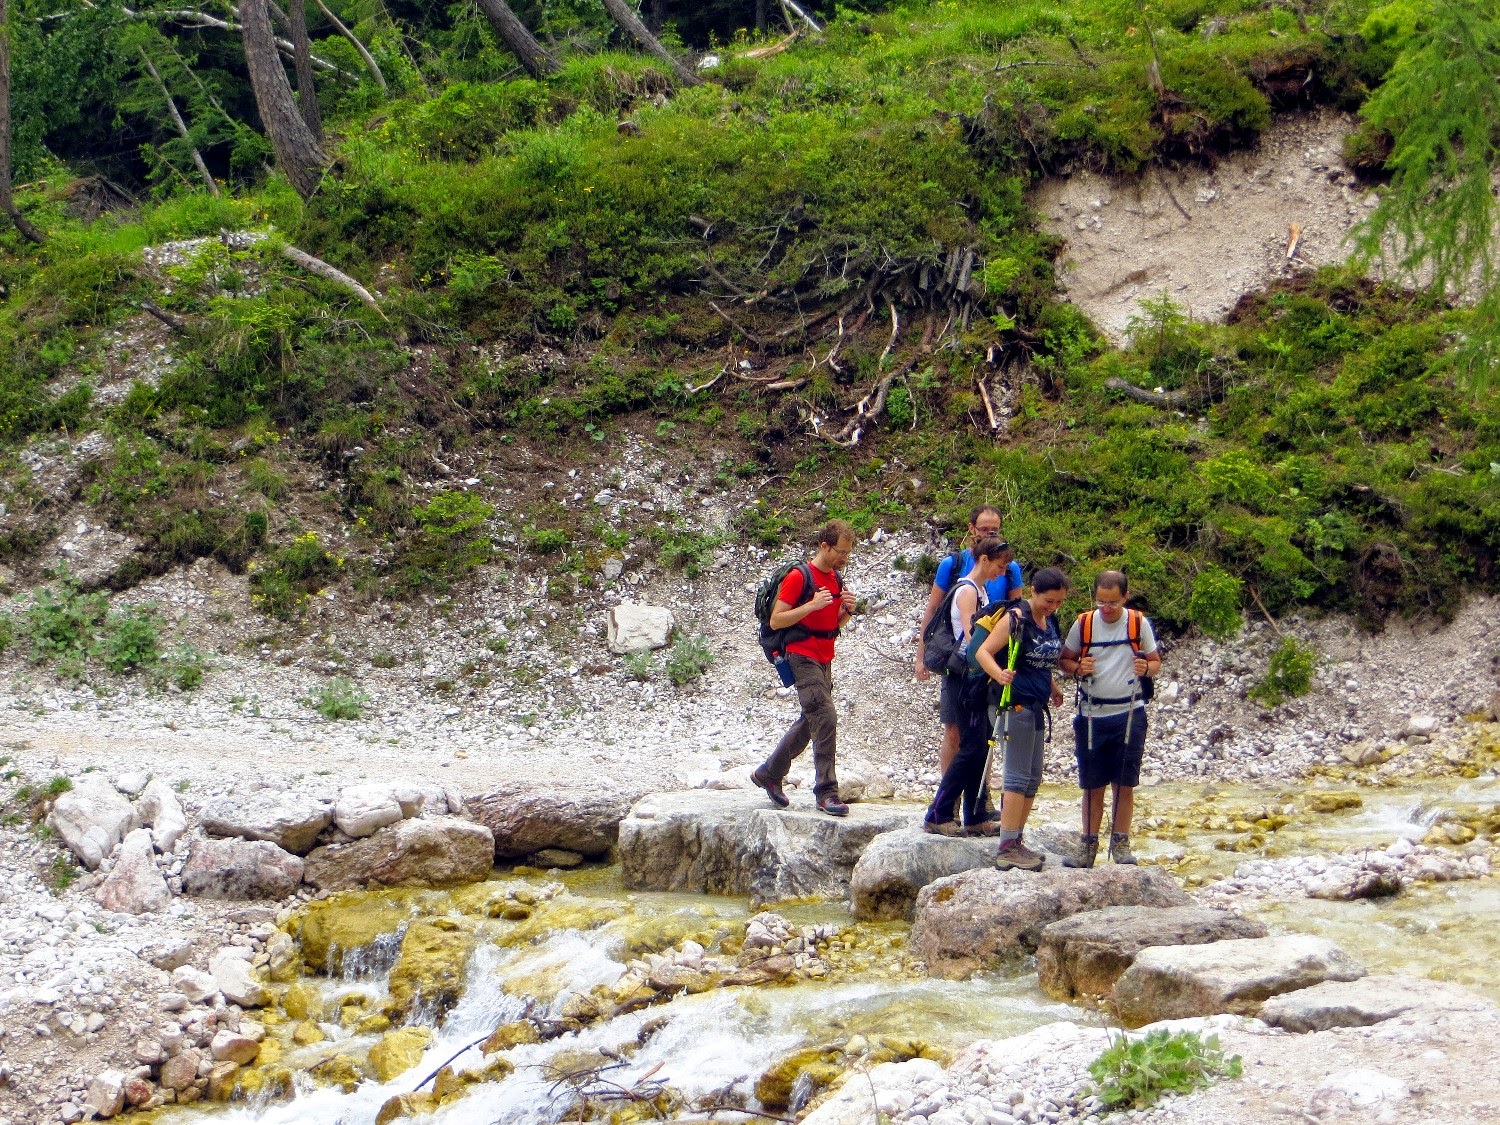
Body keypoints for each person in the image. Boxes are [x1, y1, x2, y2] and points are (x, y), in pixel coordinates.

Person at [751, 520, 858, 816]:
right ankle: (827, 791)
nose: (844, 559)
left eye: (848, 553)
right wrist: (811, 605)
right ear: (824, 546)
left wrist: (846, 611)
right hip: (800, 654)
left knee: (813, 719)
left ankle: (769, 773)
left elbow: (832, 626)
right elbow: (777, 620)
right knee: (825, 716)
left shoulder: (836, 579)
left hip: (825, 655)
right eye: (840, 552)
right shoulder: (800, 577)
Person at [1058, 571, 1162, 868]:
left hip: (1130, 712)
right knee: (1092, 785)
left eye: (1112, 602)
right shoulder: (1085, 623)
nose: (1106, 608)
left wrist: (1145, 668)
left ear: (1125, 598)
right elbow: (1065, 660)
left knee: (1123, 783)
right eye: (1101, 601)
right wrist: (1078, 667)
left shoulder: (1137, 623)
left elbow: (1155, 663)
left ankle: (1121, 843)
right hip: (1091, 714)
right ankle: (1088, 846)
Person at [916, 505, 1024, 778]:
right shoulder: (953, 565)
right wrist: (920, 657)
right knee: (953, 728)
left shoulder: (1009, 570)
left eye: (995, 530)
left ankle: (979, 796)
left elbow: (1017, 614)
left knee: (983, 730)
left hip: (991, 660)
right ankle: (949, 800)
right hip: (958, 659)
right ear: (971, 529)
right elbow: (933, 611)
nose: (989, 533)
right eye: (984, 529)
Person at [972, 567, 1069, 870]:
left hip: (1036, 704)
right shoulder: (1016, 617)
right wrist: (999, 674)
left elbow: (1041, 660)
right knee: (1016, 775)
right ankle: (1007, 847)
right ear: (1033, 592)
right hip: (1013, 704)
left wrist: (1052, 685)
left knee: (1033, 775)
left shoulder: (1048, 620)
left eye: (1059, 602)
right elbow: (983, 652)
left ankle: (1016, 839)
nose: (1053, 607)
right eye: (1049, 601)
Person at [921, 537, 1012, 836]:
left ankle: (975, 815)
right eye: (999, 566)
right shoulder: (967, 591)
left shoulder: (980, 589)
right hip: (964, 678)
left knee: (981, 745)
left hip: (976, 677)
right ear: (984, 560)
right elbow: (973, 637)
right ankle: (939, 812)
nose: (1002, 572)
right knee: (972, 747)